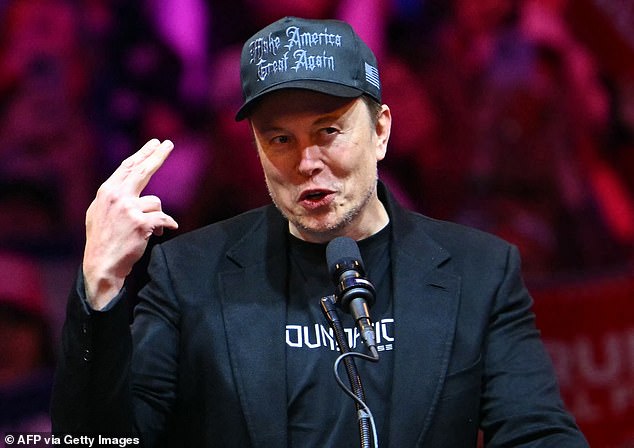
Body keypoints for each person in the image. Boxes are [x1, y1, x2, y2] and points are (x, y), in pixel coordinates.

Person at [51, 16, 589, 447]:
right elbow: (99, 442)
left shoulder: (481, 272)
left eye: (329, 131)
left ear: (380, 131)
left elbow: (536, 433)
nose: (307, 161)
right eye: (279, 139)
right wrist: (98, 292)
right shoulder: (188, 275)